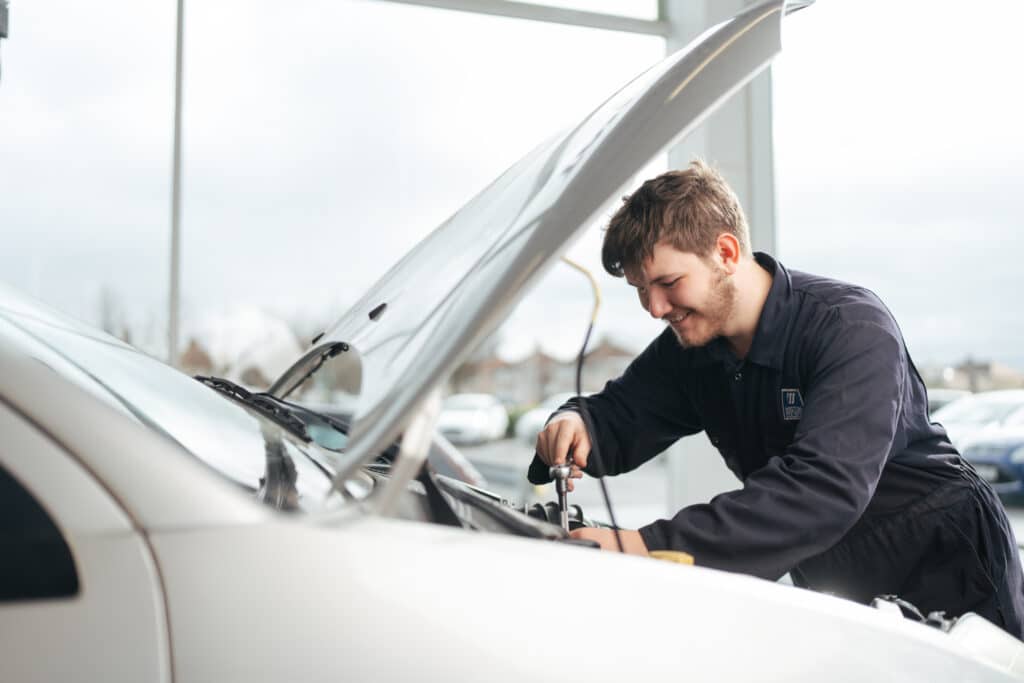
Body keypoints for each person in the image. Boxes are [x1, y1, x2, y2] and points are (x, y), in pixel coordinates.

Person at [527, 160, 1024, 637]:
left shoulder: (848, 327)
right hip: (831, 567)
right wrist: (576, 422)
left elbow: (823, 487)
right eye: (641, 289)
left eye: (668, 283)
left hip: (945, 559)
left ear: (725, 252)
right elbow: (618, 415)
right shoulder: (691, 349)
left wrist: (648, 547)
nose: (655, 308)